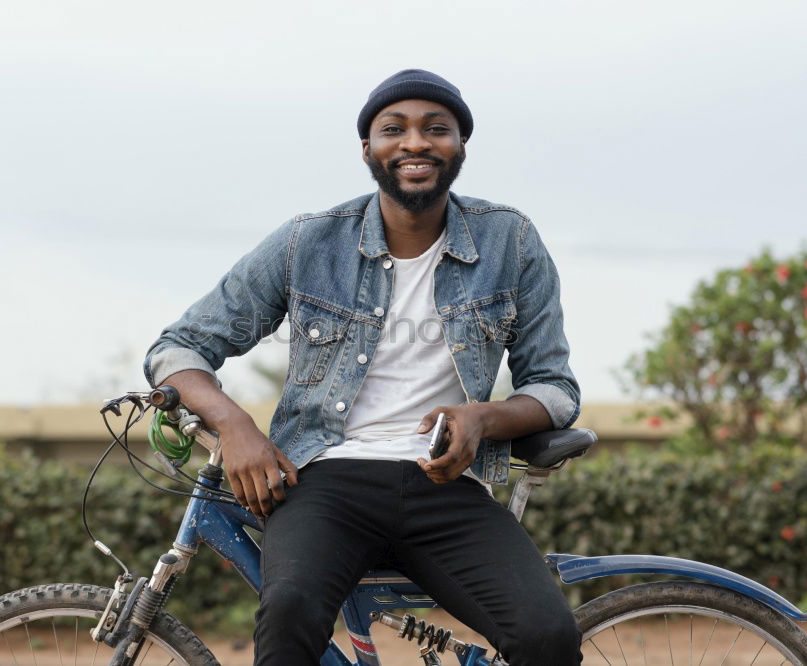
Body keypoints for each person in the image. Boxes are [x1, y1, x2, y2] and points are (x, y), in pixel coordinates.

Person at [145, 69, 583, 665]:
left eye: (437, 129)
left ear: (459, 147)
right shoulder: (309, 242)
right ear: (368, 150)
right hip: (325, 480)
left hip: (447, 485)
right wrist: (234, 424)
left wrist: (484, 418)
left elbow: (553, 388)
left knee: (546, 636)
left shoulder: (511, 240)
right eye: (393, 129)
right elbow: (179, 348)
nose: (415, 143)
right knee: (290, 613)